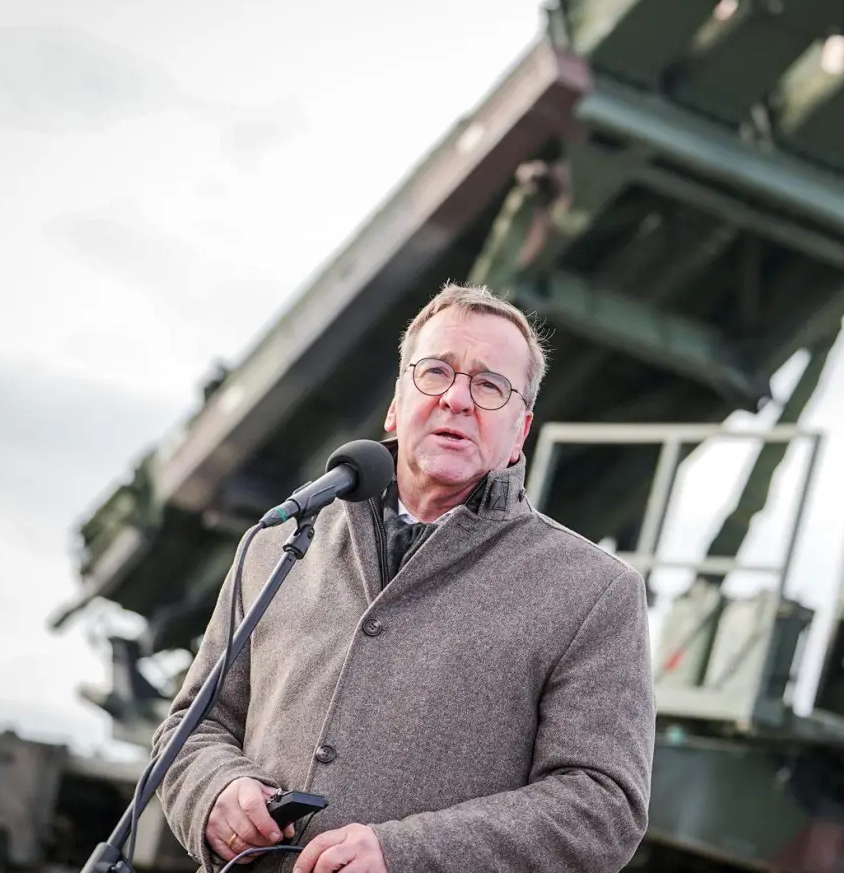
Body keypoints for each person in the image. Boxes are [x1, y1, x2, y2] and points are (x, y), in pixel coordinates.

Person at [152, 283, 656, 873]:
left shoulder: (594, 593)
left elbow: (602, 806)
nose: (457, 400)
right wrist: (216, 791)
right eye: (436, 372)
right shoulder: (277, 544)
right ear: (397, 402)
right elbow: (191, 729)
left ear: (521, 429)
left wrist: (407, 855)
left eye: (490, 386)